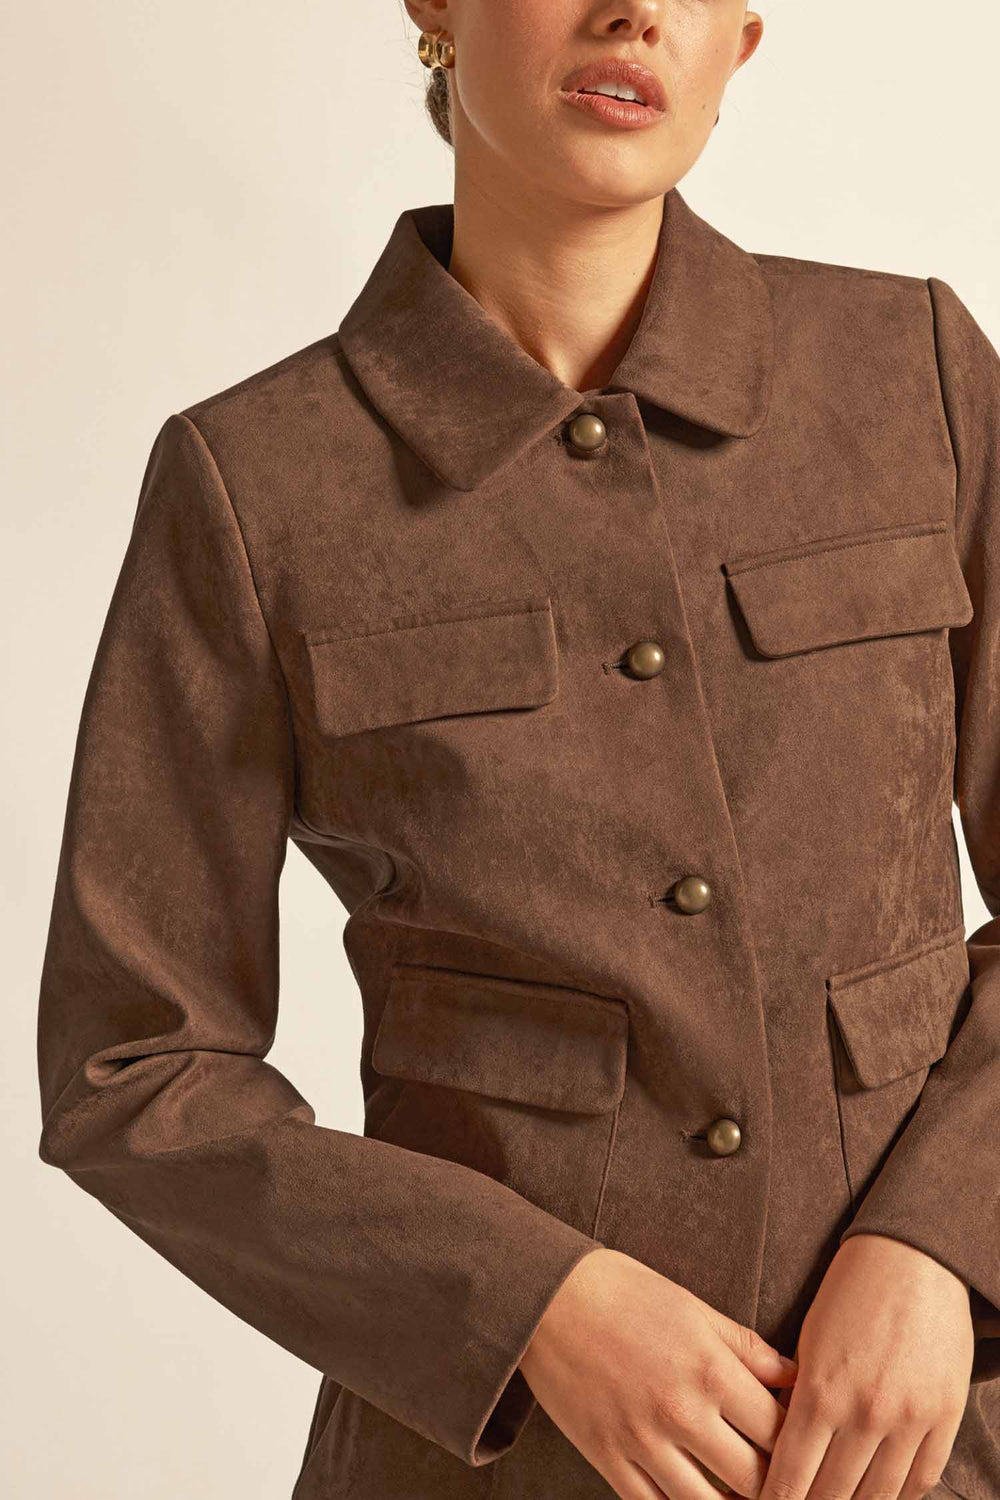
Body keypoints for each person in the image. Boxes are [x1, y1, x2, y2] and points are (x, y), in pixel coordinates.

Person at [35, 3, 1000, 1498]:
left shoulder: (910, 377)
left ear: (743, 40)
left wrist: (943, 1240)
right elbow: (134, 1066)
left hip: (922, 1451)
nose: (636, 12)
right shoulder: (258, 482)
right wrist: (531, 1306)